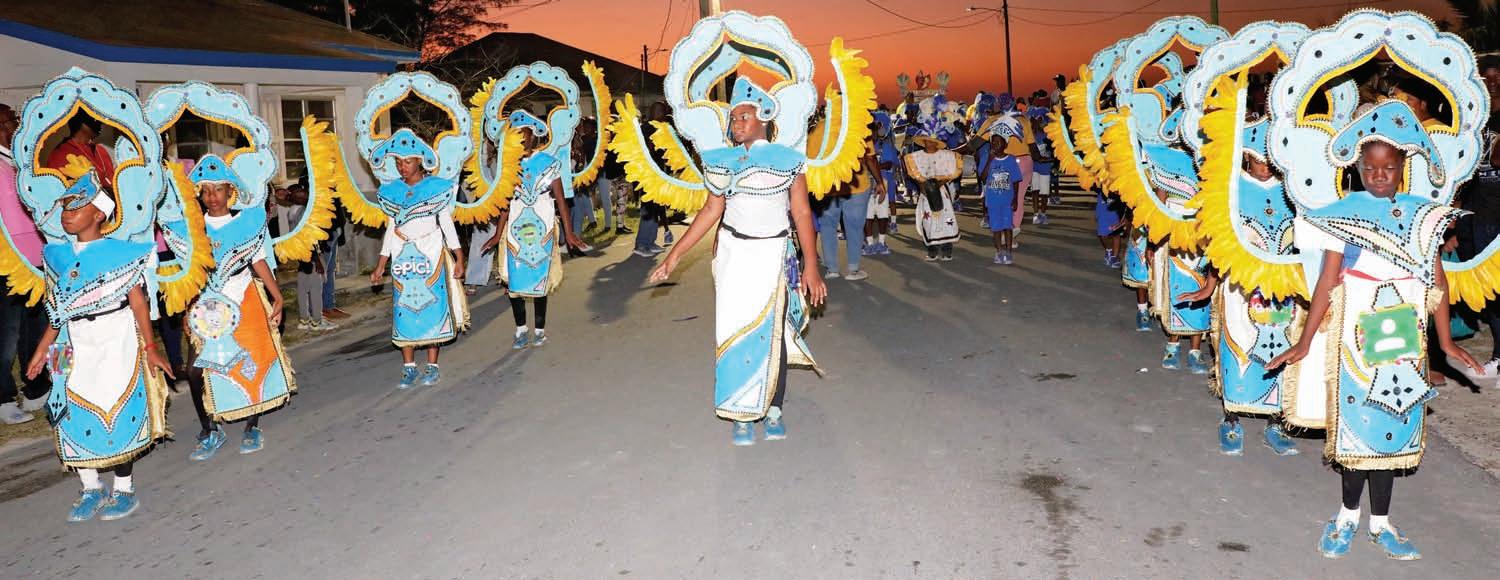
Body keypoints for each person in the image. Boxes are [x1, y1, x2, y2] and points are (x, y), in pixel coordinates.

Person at [1270, 135, 1478, 561]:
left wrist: (1445, 341)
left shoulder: (1422, 215)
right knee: (1358, 428)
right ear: (1357, 169)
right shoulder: (1343, 214)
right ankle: (1347, 516)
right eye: (1370, 168)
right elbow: (1327, 281)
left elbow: (1437, 279)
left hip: (1405, 340)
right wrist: (1305, 341)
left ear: (1403, 168)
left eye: (1388, 167)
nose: (1379, 175)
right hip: (1356, 338)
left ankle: (1381, 523)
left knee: (1393, 428)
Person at [648, 77, 827, 446]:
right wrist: (674, 256)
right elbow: (710, 211)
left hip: (774, 255)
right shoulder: (722, 162)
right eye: (733, 118)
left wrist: (811, 265)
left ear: (764, 118)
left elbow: (802, 214)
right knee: (732, 330)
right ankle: (739, 414)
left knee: (771, 332)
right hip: (734, 256)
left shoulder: (789, 160)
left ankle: (774, 408)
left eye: (744, 116)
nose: (737, 123)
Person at [26, 168, 171, 522]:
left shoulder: (122, 254)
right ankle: (90, 488)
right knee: (66, 408)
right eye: (65, 208)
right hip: (69, 341)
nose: (68, 214)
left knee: (116, 407)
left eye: (77, 207)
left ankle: (124, 489)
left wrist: (151, 348)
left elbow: (139, 304)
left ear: (98, 214)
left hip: (115, 337)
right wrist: (42, 349)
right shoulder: (56, 256)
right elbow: (57, 310)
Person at [179, 156, 294, 460]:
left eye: (218, 189)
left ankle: (251, 426)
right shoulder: (193, 231)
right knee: (194, 371)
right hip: (206, 306)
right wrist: (187, 311)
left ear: (231, 191)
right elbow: (190, 275)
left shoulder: (246, 223)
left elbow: (258, 259)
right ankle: (209, 430)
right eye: (206, 191)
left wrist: (277, 296)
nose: (212, 197)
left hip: (244, 297)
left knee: (249, 362)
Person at [367, 129, 469, 390]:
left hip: (432, 255)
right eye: (398, 162)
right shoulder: (392, 192)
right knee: (405, 310)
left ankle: (432, 366)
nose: (402, 167)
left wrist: (459, 257)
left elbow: (447, 225)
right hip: (402, 259)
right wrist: (381, 265)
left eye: (408, 161)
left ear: (420, 161)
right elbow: (391, 229)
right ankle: (409, 367)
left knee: (432, 307)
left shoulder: (436, 188)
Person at [483, 110, 587, 349]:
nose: (521, 139)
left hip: (543, 229)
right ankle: (520, 329)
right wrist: (497, 234)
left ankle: (539, 330)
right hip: (515, 231)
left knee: (540, 281)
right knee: (514, 283)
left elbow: (561, 201)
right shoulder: (507, 166)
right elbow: (505, 203)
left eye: (525, 134)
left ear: (533, 136)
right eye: (516, 135)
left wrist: (569, 233)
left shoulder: (548, 163)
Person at [0, 102, 51, 424]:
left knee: (36, 327)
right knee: (6, 334)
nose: (10, 128)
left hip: (35, 256)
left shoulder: (21, 159)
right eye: (3, 124)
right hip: (6, 262)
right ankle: (4, 399)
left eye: (12, 121)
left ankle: (36, 390)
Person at [905, 122, 962, 262]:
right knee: (928, 220)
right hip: (925, 194)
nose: (929, 143)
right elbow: (916, 176)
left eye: (932, 141)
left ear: (937, 142)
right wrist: (923, 187)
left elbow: (952, 172)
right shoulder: (916, 157)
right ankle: (932, 250)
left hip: (942, 192)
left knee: (946, 219)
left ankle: (947, 250)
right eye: (927, 140)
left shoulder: (946, 156)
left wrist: (937, 185)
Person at [978, 128, 1023, 265]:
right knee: (996, 228)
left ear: (1006, 144)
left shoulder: (1011, 160)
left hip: (1007, 200)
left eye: (999, 142)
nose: (995, 145)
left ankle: (1008, 252)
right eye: (993, 142)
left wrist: (1015, 199)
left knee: (1007, 226)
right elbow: (983, 178)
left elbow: (1016, 181)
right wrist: (989, 160)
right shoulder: (987, 158)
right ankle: (999, 251)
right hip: (993, 201)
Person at [864, 113, 898, 255]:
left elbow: (889, 164)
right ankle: (869, 244)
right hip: (865, 186)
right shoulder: (862, 146)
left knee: (883, 215)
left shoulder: (886, 146)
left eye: (875, 129)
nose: (873, 133)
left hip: (882, 184)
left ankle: (882, 243)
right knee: (868, 216)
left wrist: (873, 166)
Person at [1027, 106, 1057, 225]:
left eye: (1041, 119)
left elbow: (1054, 152)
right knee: (1035, 191)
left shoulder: (1048, 136)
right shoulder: (1030, 136)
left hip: (1045, 167)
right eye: (1036, 119)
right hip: (1034, 167)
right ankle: (1035, 214)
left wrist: (1050, 161)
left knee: (1044, 192)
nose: (1039, 122)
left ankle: (1043, 213)